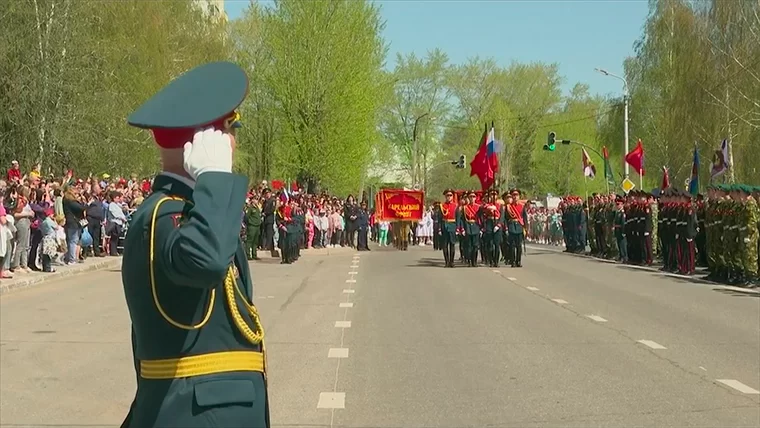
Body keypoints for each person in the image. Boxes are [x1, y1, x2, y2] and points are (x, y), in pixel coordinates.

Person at [120, 62, 269, 428]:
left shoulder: (193, 213)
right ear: (208, 142)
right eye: (230, 129)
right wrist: (215, 180)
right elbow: (206, 261)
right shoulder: (165, 216)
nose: (233, 142)